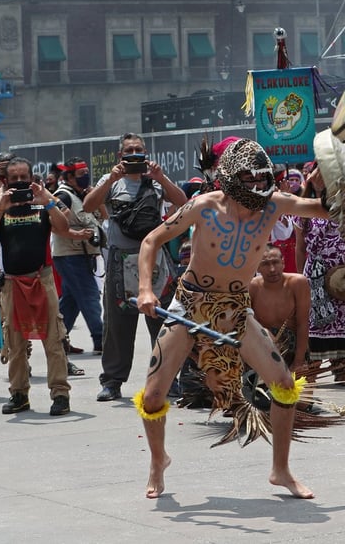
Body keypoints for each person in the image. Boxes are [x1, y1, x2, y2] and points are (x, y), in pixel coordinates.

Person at [135, 137, 329, 500]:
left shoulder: (274, 205)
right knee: (153, 395)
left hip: (236, 309)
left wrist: (340, 188)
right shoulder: (202, 206)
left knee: (284, 384)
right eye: (249, 179)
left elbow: (322, 208)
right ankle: (158, 461)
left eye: (261, 179)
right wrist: (146, 289)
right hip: (190, 305)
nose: (257, 187)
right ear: (229, 177)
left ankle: (281, 469)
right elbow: (150, 242)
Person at [83, 132, 187, 402]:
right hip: (120, 261)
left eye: (138, 149)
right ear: (120, 155)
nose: (133, 154)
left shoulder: (154, 181)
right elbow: (88, 205)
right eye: (128, 150)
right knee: (117, 325)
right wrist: (112, 179)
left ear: (145, 152)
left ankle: (168, 379)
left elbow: (183, 202)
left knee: (162, 322)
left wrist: (161, 178)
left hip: (155, 259)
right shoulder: (111, 182)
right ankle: (112, 382)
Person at [0, 157, 73, 416]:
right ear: (6, 180)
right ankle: (19, 394)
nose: (19, 183)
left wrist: (47, 201)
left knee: (54, 339)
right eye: (13, 178)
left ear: (31, 177)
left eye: (23, 177)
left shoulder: (43, 204)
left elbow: (64, 227)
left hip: (42, 279)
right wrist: (1, 207)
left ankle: (60, 394)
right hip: (12, 283)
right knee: (15, 343)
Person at [297, 168, 345, 385]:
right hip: (317, 275)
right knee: (316, 322)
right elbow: (300, 248)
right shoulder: (305, 208)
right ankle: (311, 372)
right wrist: (302, 278)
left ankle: (341, 371)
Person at [51, 157, 105, 355]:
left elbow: (104, 216)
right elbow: (55, 226)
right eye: (82, 175)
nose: (87, 177)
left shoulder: (83, 195)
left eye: (87, 173)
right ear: (70, 177)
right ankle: (100, 339)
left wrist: (95, 197)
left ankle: (58, 341)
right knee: (90, 296)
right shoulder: (63, 196)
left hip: (83, 255)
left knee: (71, 301)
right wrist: (76, 235)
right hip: (70, 256)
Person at [250, 244, 310, 371]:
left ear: (283, 263)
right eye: (265, 264)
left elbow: (303, 323)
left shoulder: (298, 283)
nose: (272, 269)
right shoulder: (252, 287)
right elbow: (248, 323)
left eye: (275, 262)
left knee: (299, 388)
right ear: (257, 266)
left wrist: (299, 361)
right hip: (264, 348)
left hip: (294, 347)